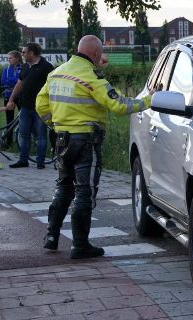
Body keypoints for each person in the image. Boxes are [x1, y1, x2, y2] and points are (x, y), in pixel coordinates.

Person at [36, 35, 153, 259]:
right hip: (86, 141)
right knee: (84, 192)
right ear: (96, 55)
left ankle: (51, 237)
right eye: (100, 56)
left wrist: (56, 123)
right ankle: (80, 246)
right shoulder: (91, 77)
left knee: (63, 187)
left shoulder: (56, 73)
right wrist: (149, 100)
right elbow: (118, 105)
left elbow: (40, 104)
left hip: (62, 139)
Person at [6, 43, 54, 169]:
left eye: (24, 52)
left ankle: (40, 162)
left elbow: (54, 87)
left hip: (41, 109)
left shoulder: (47, 67)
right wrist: (11, 99)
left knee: (41, 136)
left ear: (31, 53)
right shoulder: (26, 66)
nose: (22, 54)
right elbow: (19, 83)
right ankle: (23, 160)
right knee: (24, 134)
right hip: (25, 107)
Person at [1, 50, 23, 146]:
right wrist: (17, 81)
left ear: (17, 58)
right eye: (8, 58)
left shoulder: (23, 68)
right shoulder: (6, 69)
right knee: (9, 119)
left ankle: (22, 139)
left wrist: (13, 81)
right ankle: (8, 141)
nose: (8, 60)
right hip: (8, 96)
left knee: (23, 118)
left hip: (21, 96)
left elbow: (23, 81)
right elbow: (3, 82)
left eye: (10, 58)